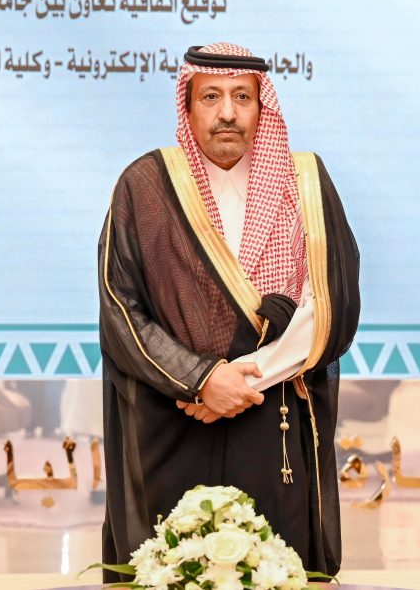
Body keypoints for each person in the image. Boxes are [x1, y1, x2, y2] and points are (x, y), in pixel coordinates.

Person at [98, 42, 360, 578]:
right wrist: (199, 379)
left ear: (262, 108)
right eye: (211, 96)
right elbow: (121, 309)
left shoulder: (304, 182)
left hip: (272, 424)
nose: (227, 112)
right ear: (188, 105)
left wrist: (244, 377)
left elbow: (331, 302)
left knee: (274, 572)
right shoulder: (145, 186)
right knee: (173, 570)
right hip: (174, 421)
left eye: (242, 97)